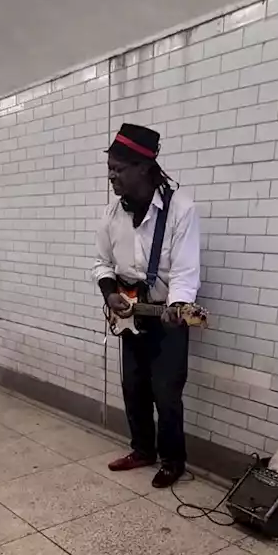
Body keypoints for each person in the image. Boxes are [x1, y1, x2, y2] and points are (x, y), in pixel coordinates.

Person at [94, 123, 201, 489]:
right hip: (129, 314)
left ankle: (173, 460)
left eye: (119, 169)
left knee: (167, 392)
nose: (112, 176)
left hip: (167, 316)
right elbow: (101, 264)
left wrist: (178, 306)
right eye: (110, 169)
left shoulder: (180, 209)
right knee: (133, 386)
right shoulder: (112, 215)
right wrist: (111, 294)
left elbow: (186, 272)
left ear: (143, 168)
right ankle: (142, 449)